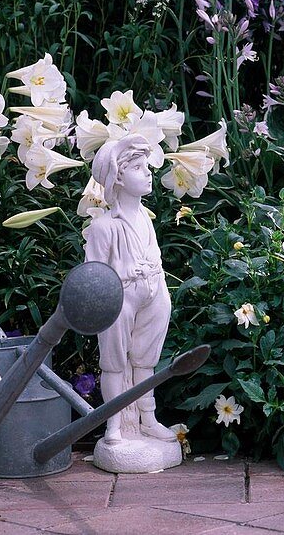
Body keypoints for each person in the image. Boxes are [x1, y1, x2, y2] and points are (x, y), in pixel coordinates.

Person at [86, 134, 175, 444]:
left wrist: (158, 283)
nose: (148, 172)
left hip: (153, 292)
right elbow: (93, 275)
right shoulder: (103, 226)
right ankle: (114, 424)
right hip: (120, 298)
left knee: (145, 361)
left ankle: (148, 419)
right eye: (138, 167)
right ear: (118, 178)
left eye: (146, 166)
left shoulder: (145, 220)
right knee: (113, 362)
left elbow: (155, 254)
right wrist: (123, 274)